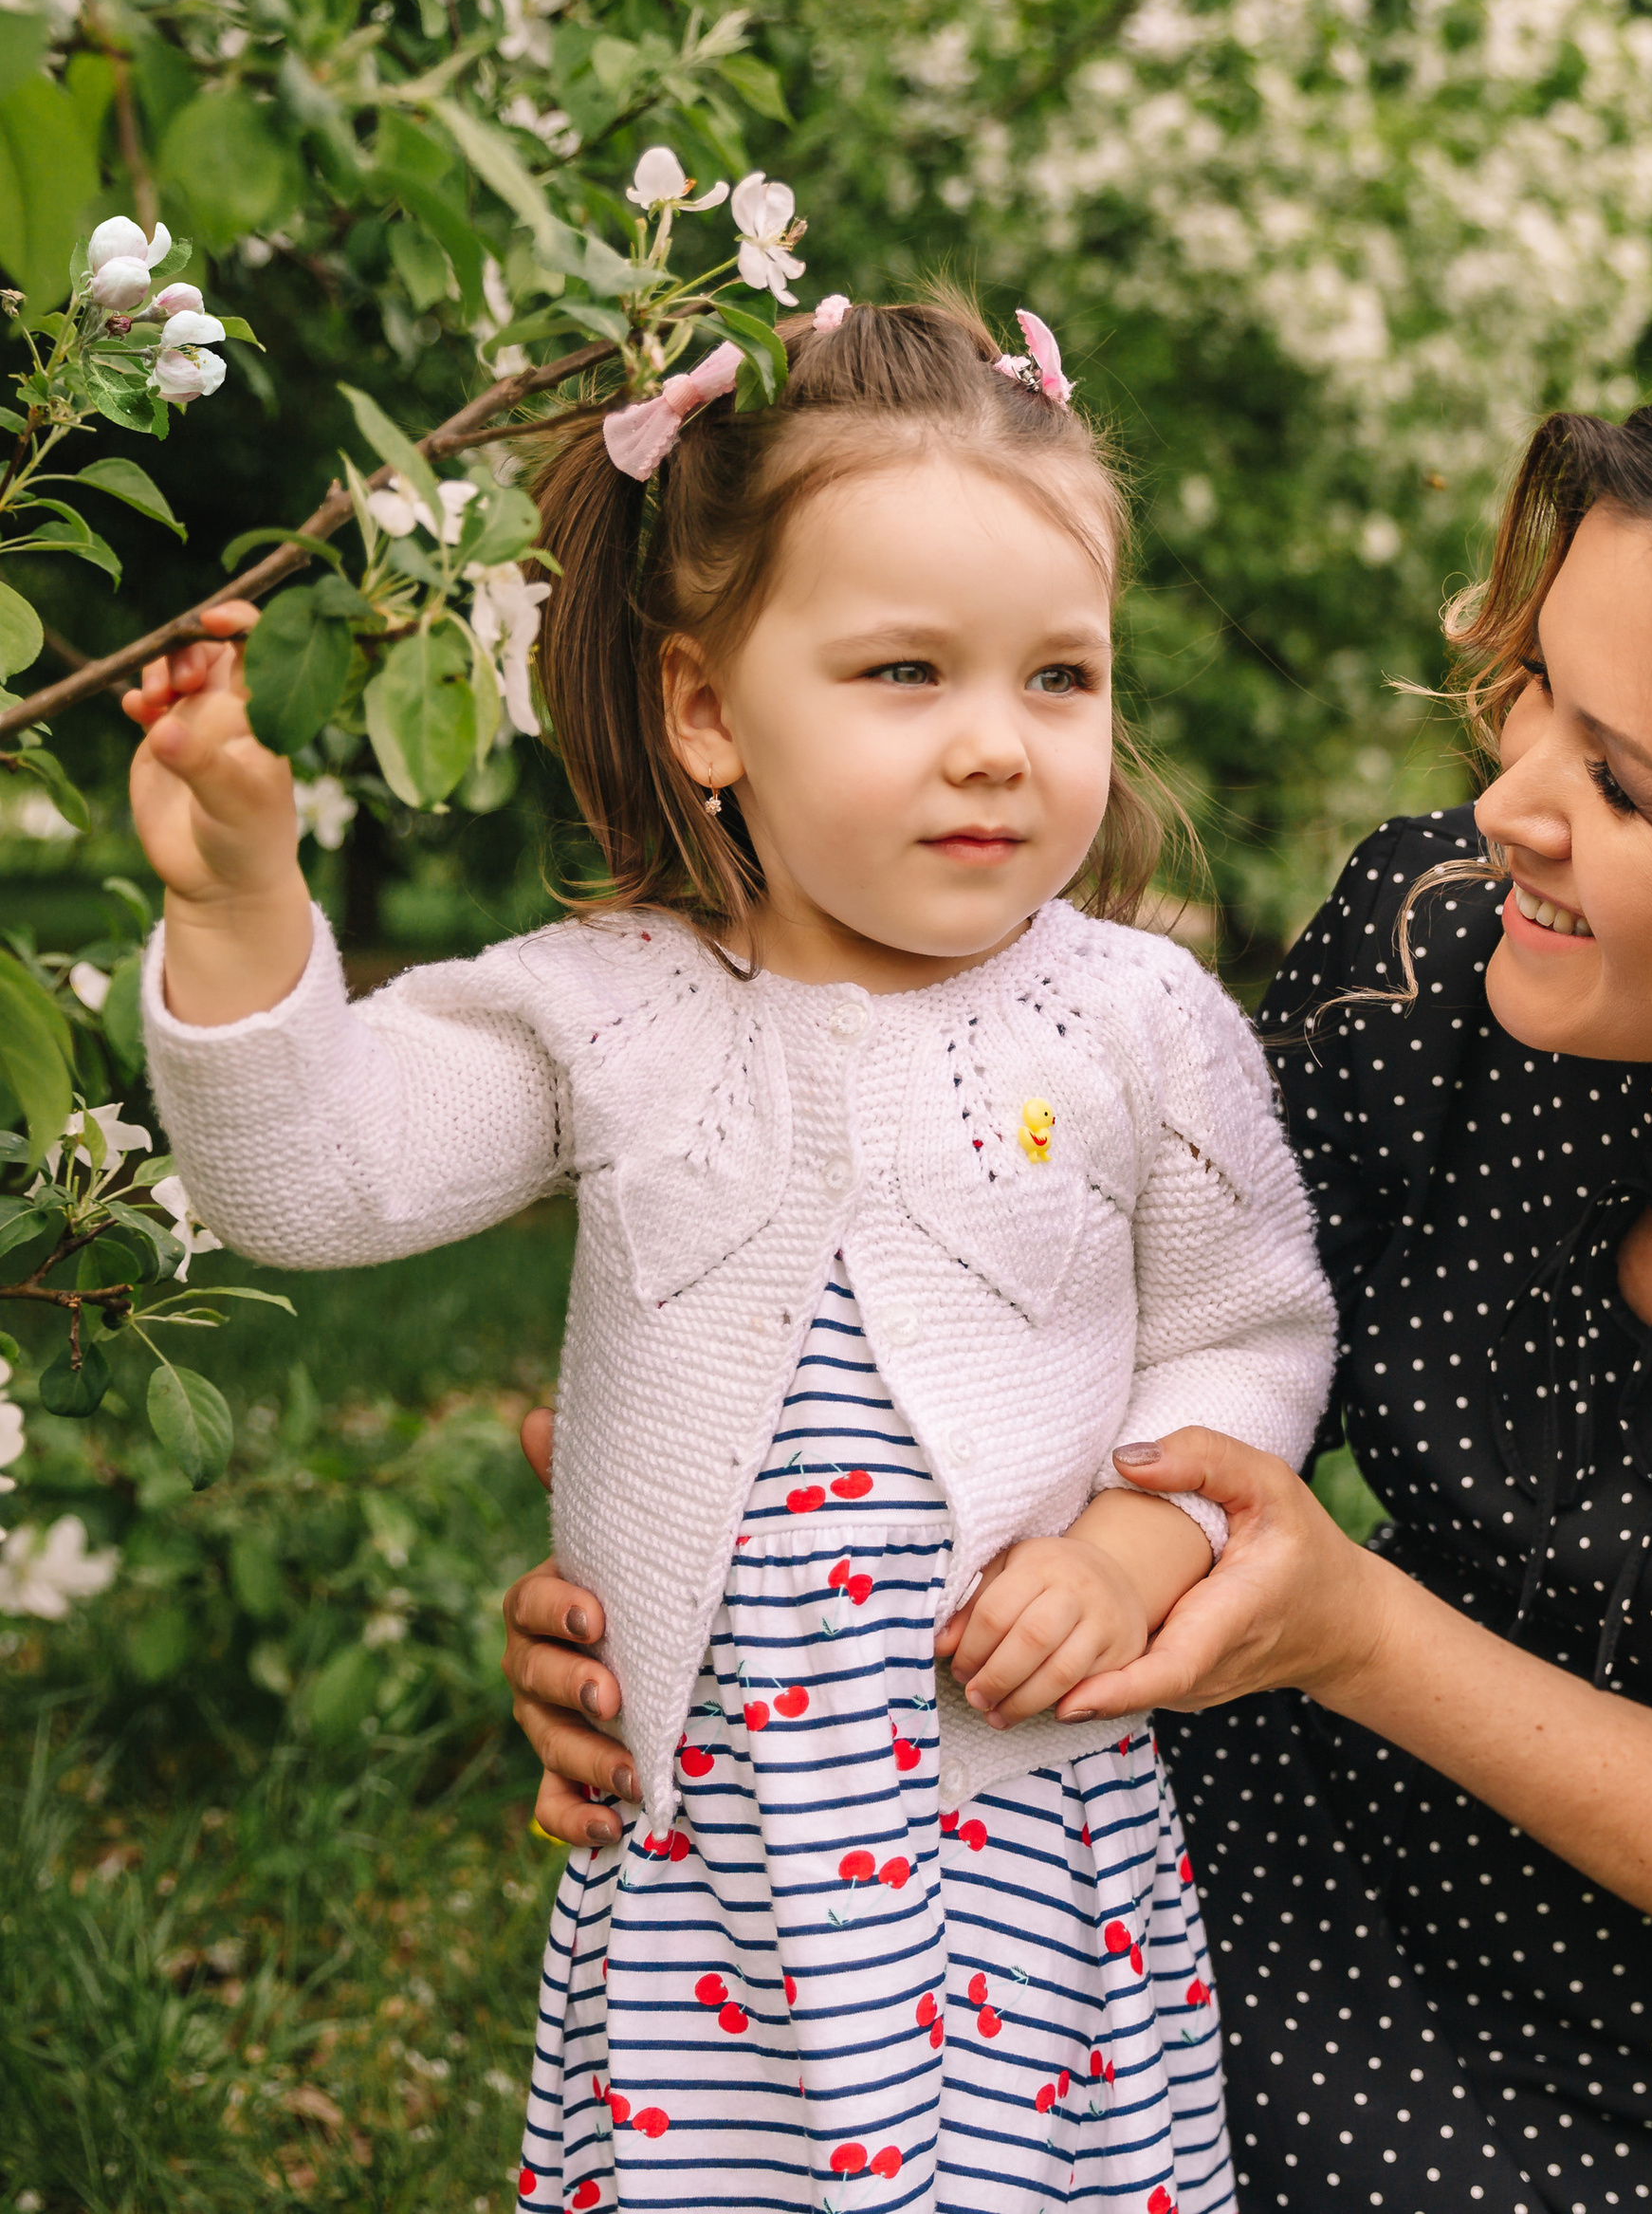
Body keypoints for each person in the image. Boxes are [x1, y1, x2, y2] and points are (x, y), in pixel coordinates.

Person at [506, 303, 1652, 2210]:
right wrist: (724, 1572)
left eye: (1621, 784)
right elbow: (1123, 1356)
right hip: (1392, 1864)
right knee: (992, 1991)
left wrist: (1356, 1636)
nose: (1508, 800)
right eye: (1538, 691)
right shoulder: (1435, 958)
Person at [122, 294, 1336, 2212]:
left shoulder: (1139, 1022)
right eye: (903, 672)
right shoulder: (612, 1008)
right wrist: (236, 909)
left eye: (1059, 676)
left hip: (1022, 1831)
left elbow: (1246, 1334)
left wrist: (1133, 1546)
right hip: (717, 1860)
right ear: (706, 710)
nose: (994, 746)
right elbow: (321, 1177)